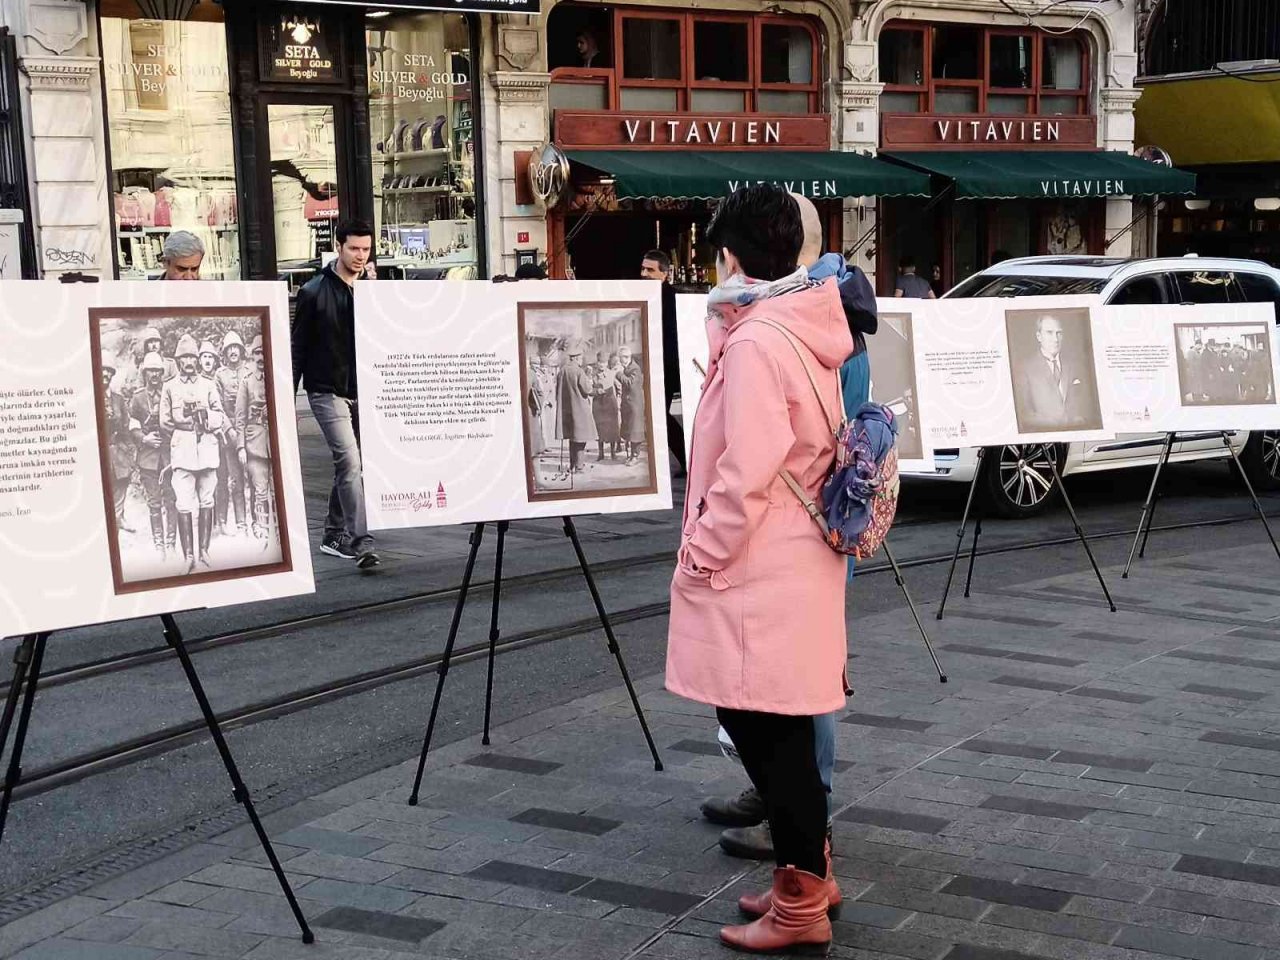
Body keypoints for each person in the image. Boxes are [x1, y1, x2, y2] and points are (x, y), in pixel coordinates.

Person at [666, 184, 851, 955]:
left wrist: (702, 555)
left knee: (763, 732)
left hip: (754, 569)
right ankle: (807, 878)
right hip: (794, 564)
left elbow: (744, 471)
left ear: (732, 257)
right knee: (779, 731)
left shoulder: (754, 343)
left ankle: (803, 900)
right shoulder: (802, 324)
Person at [702, 194, 877, 863]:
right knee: (782, 688)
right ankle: (789, 812)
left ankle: (802, 823)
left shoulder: (788, 324)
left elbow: (771, 455)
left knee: (787, 691)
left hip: (785, 531)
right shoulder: (816, 311)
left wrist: (703, 556)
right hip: (803, 526)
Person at [292, 219, 379, 570]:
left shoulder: (373, 289)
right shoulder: (313, 291)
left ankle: (332, 533)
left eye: (366, 249)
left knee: (355, 463)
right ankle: (361, 540)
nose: (360, 256)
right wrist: (288, 392)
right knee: (350, 461)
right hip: (326, 389)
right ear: (339, 247)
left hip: (364, 388)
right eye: (354, 248)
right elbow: (297, 347)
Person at [162, 334, 225, 573]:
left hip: (208, 451)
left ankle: (204, 551)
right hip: (183, 454)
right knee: (183, 502)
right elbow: (165, 421)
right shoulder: (170, 387)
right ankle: (188, 555)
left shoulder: (208, 385)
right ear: (178, 361)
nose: (189, 361)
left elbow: (219, 416)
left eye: (192, 356)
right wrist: (186, 429)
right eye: (184, 357)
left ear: (197, 359)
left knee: (207, 499)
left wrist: (205, 415)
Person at [640, 250, 686, 475]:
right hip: (652, 365)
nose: (644, 274)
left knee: (656, 414)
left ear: (665, 274)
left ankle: (686, 458)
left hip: (666, 366)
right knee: (654, 414)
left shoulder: (672, 299)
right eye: (643, 269)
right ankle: (685, 458)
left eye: (650, 270)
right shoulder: (642, 297)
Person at [130, 351, 177, 557]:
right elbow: (131, 425)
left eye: (158, 370)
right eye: (151, 371)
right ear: (145, 373)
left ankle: (172, 543)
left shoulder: (170, 391)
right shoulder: (138, 397)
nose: (155, 374)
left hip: (169, 455)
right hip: (148, 458)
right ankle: (159, 546)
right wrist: (143, 438)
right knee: (154, 502)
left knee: (172, 499)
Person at [1016, 314, 1089, 429]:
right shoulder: (1025, 368)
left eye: (1059, 333)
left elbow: (1086, 405)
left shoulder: (1075, 365)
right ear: (1039, 336)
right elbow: (1024, 414)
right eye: (1049, 333)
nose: (1055, 339)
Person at [237, 336, 273, 541]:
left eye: (264, 352)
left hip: (275, 442)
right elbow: (240, 418)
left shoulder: (278, 376)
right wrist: (241, 447)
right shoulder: (247, 382)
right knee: (260, 489)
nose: (261, 357)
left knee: (276, 490)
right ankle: (261, 529)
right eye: (257, 353)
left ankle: (277, 529)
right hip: (255, 443)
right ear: (252, 356)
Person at [215, 331, 249, 536]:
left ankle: (258, 522)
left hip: (251, 432)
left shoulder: (249, 371)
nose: (233, 351)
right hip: (229, 436)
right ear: (225, 353)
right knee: (233, 479)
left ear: (241, 350)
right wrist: (231, 431)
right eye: (229, 348)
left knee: (255, 479)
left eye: (236, 347)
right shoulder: (220, 375)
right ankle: (239, 523)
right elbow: (217, 407)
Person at [101, 353, 136, 534]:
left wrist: (130, 450)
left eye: (108, 371)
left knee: (121, 482)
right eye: (102, 370)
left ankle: (119, 517)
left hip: (118, 448)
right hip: (100, 449)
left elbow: (125, 426)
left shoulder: (118, 400)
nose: (105, 374)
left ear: (112, 374)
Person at [555, 339, 597, 472]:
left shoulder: (562, 371)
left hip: (567, 410)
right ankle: (579, 467)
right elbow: (587, 389)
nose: (582, 360)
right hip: (580, 409)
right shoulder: (579, 372)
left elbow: (558, 390)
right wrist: (589, 378)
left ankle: (573, 465)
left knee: (572, 438)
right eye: (581, 358)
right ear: (577, 358)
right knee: (580, 438)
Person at [617, 345, 646, 465]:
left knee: (635, 431)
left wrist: (619, 374)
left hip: (635, 405)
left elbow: (630, 383)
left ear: (626, 357)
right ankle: (631, 456)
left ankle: (635, 456)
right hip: (629, 405)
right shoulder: (628, 367)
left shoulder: (635, 368)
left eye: (621, 358)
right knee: (630, 430)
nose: (620, 361)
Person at [592, 350, 621, 460]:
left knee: (612, 428)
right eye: (599, 362)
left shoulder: (612, 374)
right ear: (597, 363)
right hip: (598, 404)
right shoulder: (593, 375)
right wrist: (596, 390)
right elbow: (589, 389)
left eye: (603, 362)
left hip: (610, 403)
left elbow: (619, 388)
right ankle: (601, 454)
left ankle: (613, 453)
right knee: (600, 429)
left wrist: (618, 400)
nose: (601, 365)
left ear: (607, 363)